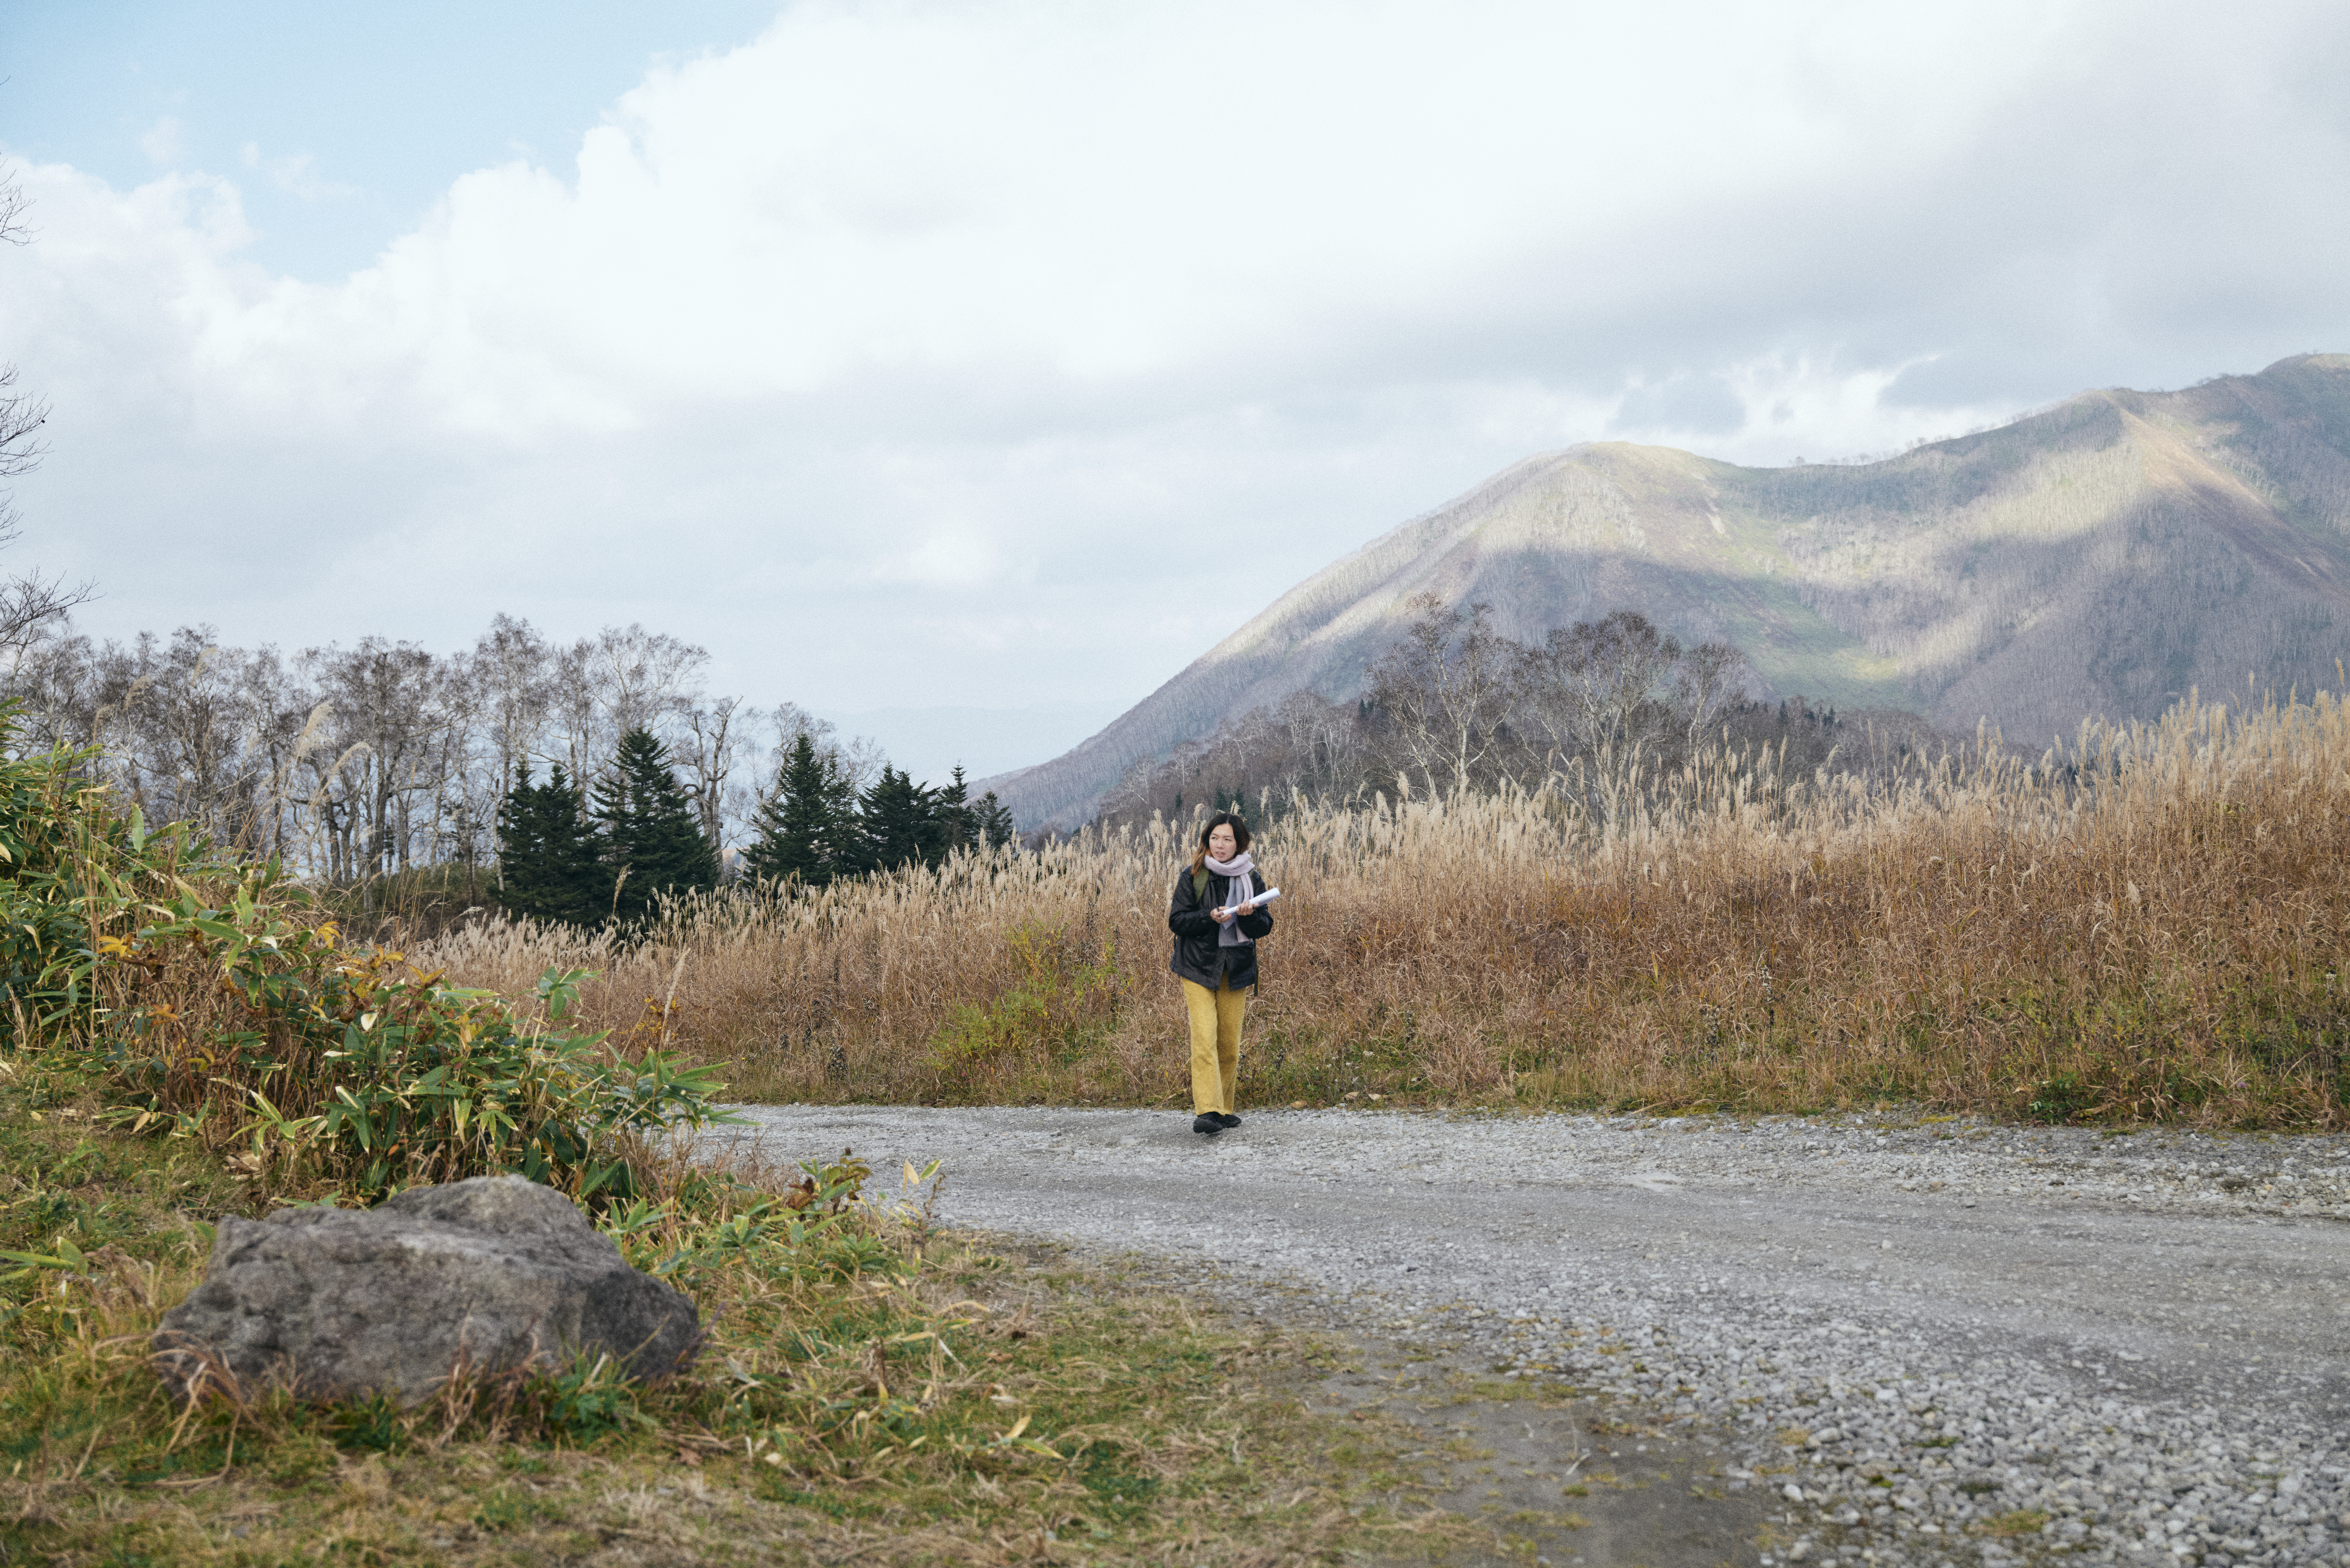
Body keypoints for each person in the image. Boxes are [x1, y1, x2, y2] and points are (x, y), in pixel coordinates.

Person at [1167, 810, 1274, 1137]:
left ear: (1239, 843)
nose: (1220, 845)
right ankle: (1208, 1111)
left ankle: (1225, 1109)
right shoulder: (1194, 875)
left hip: (1236, 968)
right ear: (1207, 841)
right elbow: (1177, 921)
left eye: (1227, 839)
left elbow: (1265, 926)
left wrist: (1248, 916)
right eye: (1215, 838)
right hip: (1197, 967)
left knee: (1228, 1043)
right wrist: (1208, 917)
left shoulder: (1251, 878)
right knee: (1204, 1038)